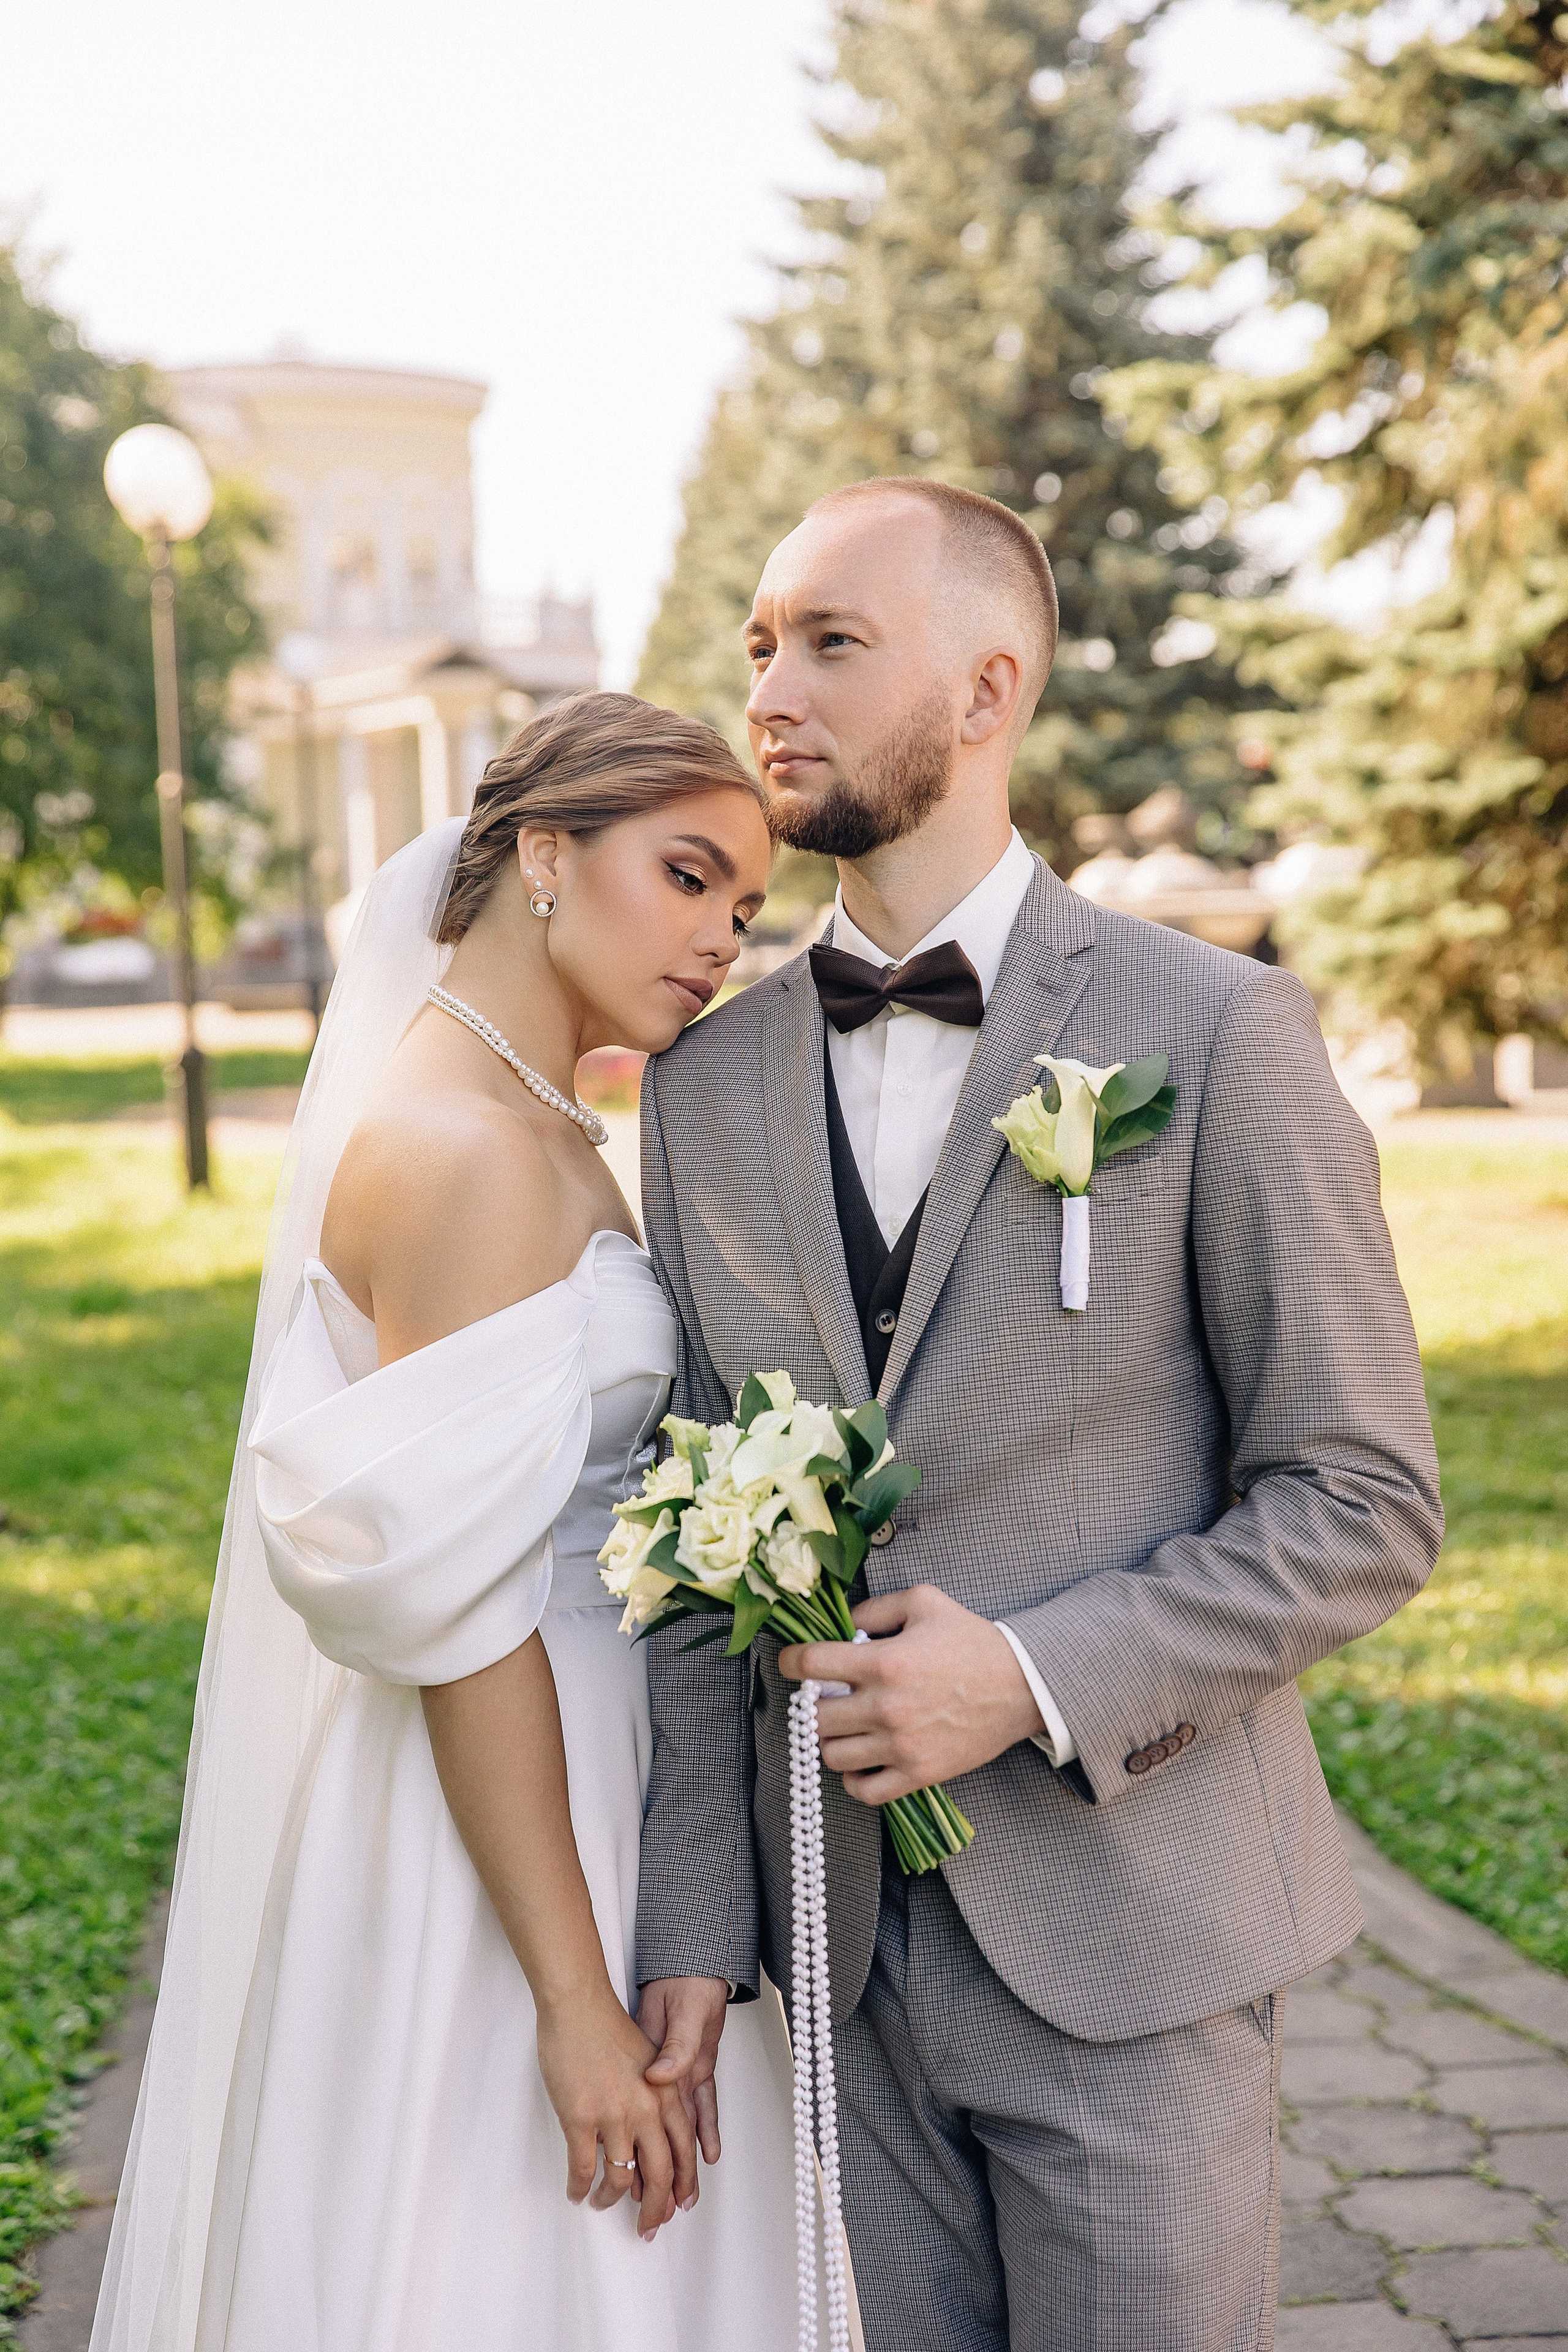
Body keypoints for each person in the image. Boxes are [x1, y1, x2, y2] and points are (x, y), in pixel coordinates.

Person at [633, 480, 1444, 2352]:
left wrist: (1042, 1674)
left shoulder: (1216, 1032)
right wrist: (695, 1923)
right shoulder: (704, 1084)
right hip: (831, 1962)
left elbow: (1364, 1495)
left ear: (987, 690)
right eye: (760, 644)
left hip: (1140, 1944)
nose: (774, 689)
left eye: (834, 643)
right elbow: (689, 1546)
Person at [91, 693, 817, 2352]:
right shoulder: (469, 1149)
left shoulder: (537, 1109)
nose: (719, 937)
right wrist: (570, 2001)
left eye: (744, 908)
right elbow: (470, 1611)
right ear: (546, 855)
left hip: (595, 1764)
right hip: (501, 1809)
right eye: (690, 875)